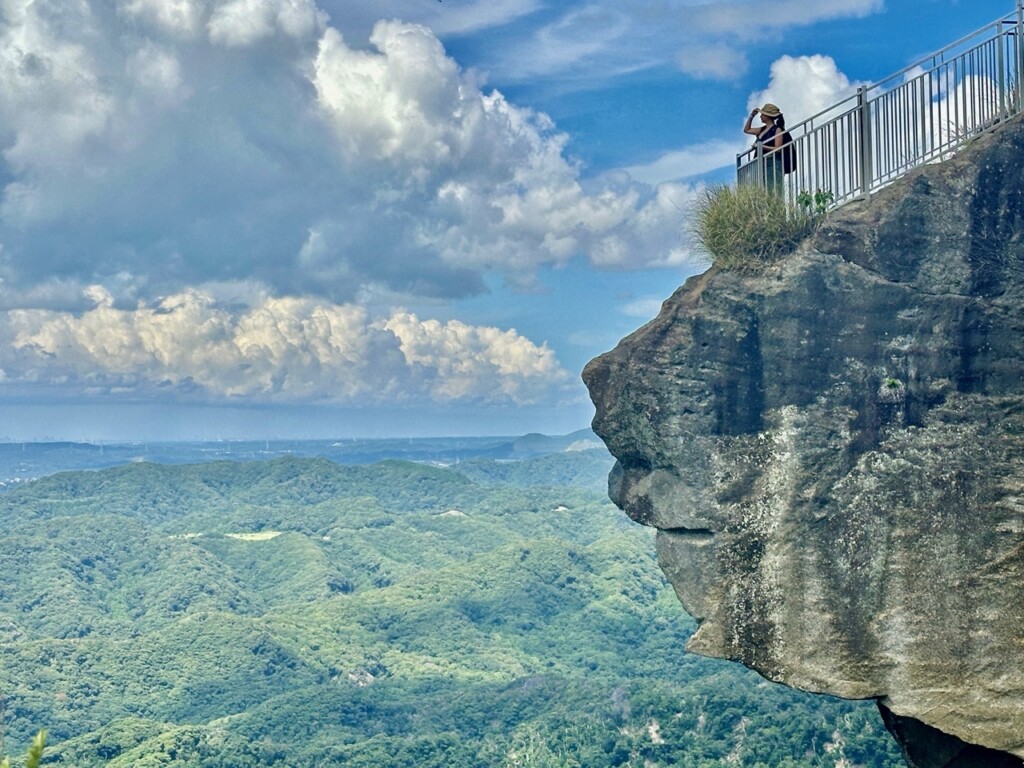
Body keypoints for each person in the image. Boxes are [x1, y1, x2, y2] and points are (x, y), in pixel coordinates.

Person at [743, 103, 786, 191]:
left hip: (772, 163)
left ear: (768, 116)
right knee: (758, 189)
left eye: (762, 114)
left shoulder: (777, 129)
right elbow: (746, 130)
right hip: (760, 163)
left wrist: (761, 146)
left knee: (771, 188)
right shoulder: (762, 129)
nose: (760, 116)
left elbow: (778, 148)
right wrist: (751, 116)